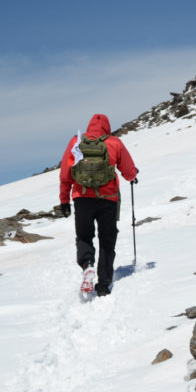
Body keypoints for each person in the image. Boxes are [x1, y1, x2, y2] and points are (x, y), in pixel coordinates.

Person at [58, 113, 138, 297]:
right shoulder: (114, 142)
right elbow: (128, 170)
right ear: (107, 127)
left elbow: (66, 173)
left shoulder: (76, 141)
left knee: (84, 236)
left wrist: (64, 200)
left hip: (82, 197)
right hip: (108, 199)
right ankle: (103, 284)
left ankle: (88, 265)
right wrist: (133, 175)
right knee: (107, 240)